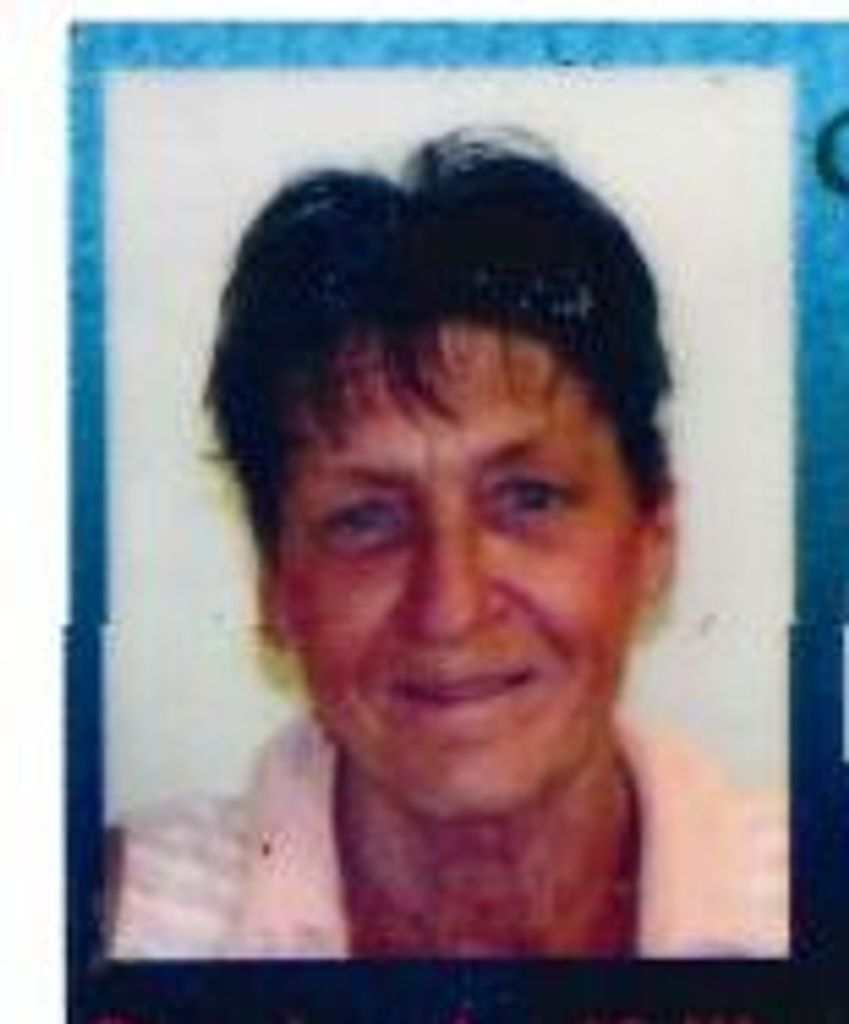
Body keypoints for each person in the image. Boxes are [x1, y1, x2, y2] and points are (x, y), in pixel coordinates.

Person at [108, 128, 787, 959]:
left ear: (653, 539)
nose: (450, 608)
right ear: (274, 588)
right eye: (366, 518)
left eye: (527, 499)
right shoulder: (103, 933)